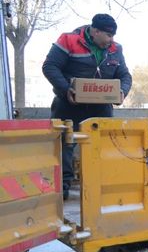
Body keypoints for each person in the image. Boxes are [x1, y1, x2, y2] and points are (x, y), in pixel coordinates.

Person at [42, 13, 132, 200]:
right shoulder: (68, 40)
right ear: (95, 31)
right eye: (108, 35)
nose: (111, 40)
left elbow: (124, 75)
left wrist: (122, 91)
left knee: (102, 143)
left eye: (113, 36)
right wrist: (67, 89)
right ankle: (63, 188)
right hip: (68, 104)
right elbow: (50, 66)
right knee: (64, 143)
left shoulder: (115, 49)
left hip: (100, 107)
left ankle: (100, 183)